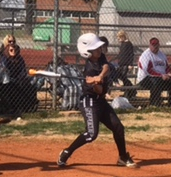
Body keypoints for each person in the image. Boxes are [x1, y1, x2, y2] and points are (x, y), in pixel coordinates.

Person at [57, 33, 136, 168]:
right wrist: (95, 84)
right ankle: (66, 152)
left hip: (101, 101)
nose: (100, 50)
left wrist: (99, 77)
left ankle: (122, 157)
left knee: (118, 127)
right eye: (96, 49)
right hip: (90, 102)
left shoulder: (100, 58)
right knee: (91, 134)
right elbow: (99, 90)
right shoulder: (89, 69)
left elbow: (107, 67)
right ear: (87, 52)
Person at [137, 37, 171, 107]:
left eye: (156, 45)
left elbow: (167, 67)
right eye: (153, 45)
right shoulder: (146, 55)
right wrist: (161, 75)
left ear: (159, 45)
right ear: (150, 45)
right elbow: (148, 70)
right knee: (156, 82)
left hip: (161, 77)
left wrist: (169, 73)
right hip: (146, 78)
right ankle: (154, 104)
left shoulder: (162, 55)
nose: (155, 46)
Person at [1, 43, 39, 114]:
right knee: (13, 87)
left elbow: (23, 70)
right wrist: (13, 78)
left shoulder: (20, 59)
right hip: (9, 79)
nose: (13, 51)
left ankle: (29, 105)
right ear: (8, 51)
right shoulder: (5, 59)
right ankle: (15, 107)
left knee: (30, 86)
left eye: (15, 50)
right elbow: (5, 71)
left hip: (19, 79)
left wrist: (20, 78)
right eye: (11, 50)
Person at [116, 30, 136, 95]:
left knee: (123, 77)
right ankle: (131, 89)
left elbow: (131, 54)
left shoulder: (128, 44)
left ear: (122, 37)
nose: (118, 39)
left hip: (126, 64)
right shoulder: (122, 44)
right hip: (121, 63)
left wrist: (130, 64)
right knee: (120, 75)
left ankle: (130, 90)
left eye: (119, 38)